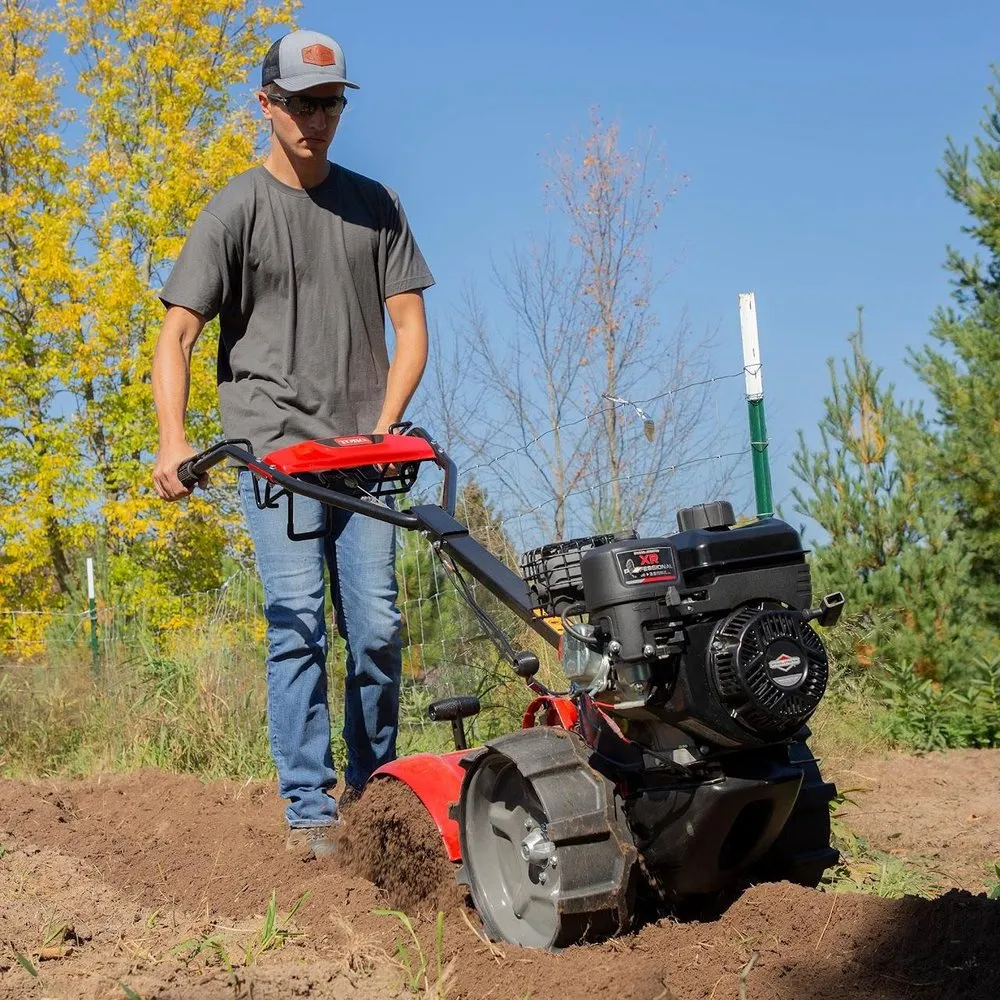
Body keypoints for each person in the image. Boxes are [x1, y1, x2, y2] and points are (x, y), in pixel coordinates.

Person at [150, 29, 434, 859]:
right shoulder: (235, 210)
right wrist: (173, 441)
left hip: (364, 459)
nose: (318, 119)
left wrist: (386, 423)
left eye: (331, 104)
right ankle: (310, 811)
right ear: (266, 104)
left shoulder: (375, 206)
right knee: (297, 625)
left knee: (377, 629)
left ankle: (375, 796)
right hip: (273, 456)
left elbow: (411, 326)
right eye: (302, 104)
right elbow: (177, 334)